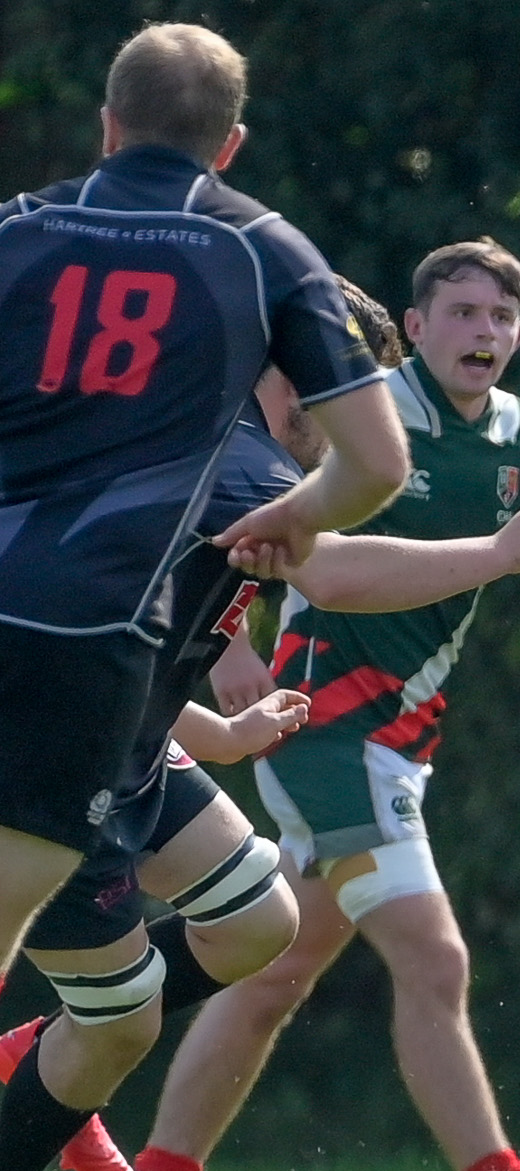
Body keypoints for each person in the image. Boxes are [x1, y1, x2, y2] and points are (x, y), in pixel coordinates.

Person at [0, 282, 520, 1171]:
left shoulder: (499, 437)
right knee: (139, 1021)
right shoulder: (237, 452)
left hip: (137, 744)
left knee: (261, 931)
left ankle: (132, 1169)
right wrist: (502, 551)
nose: (349, 422)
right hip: (89, 754)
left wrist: (219, 733)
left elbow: (129, 660)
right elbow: (330, 574)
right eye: (336, 391)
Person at [0, 22, 410, 984]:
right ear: (230, 145)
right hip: (83, 633)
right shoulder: (264, 252)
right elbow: (377, 465)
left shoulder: (17, 229)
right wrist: (296, 517)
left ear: (108, 126)